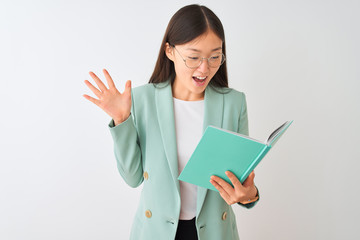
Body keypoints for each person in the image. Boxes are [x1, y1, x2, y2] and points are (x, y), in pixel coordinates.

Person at [83, 4, 259, 240]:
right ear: (169, 51)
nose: (204, 68)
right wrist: (121, 119)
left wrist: (250, 195)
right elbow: (132, 177)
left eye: (215, 56)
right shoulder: (143, 100)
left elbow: (241, 181)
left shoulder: (234, 103)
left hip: (215, 233)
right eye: (193, 57)